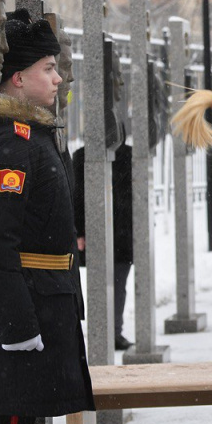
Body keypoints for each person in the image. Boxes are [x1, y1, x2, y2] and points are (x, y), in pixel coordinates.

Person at [0, 9, 94, 424]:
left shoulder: (37, 134)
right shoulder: (12, 143)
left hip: (46, 303)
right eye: (47, 68)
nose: (59, 77)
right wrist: (17, 327)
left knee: (26, 421)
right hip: (28, 311)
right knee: (12, 421)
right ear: (18, 79)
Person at [73, 131, 135, 351]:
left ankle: (112, 331)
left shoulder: (128, 155)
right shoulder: (82, 157)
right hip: (101, 231)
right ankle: (105, 332)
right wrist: (80, 231)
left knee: (116, 284)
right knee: (104, 284)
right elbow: (77, 195)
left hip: (119, 231)